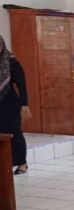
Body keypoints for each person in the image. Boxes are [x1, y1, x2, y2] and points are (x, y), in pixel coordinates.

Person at [0, 36, 30, 174]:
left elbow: (21, 85)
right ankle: (4, 163)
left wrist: (24, 104)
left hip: (9, 103)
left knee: (15, 133)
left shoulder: (11, 62)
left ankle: (22, 163)